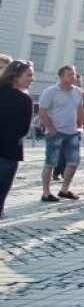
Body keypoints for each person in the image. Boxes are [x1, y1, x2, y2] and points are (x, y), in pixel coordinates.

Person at [38, 65, 84, 202]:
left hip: (72, 132)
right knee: (50, 163)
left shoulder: (77, 92)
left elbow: (79, 108)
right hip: (56, 132)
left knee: (73, 162)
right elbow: (42, 111)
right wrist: (51, 129)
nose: (73, 77)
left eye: (74, 74)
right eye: (70, 74)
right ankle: (46, 192)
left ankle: (65, 189)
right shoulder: (51, 91)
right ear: (61, 76)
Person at [0, 60, 35, 219]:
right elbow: (24, 130)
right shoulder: (25, 99)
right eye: (28, 75)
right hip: (9, 152)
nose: (31, 79)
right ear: (15, 75)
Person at [54, 72, 84, 181]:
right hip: (63, 126)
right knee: (62, 151)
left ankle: (63, 171)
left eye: (80, 83)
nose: (78, 85)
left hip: (77, 128)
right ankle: (58, 171)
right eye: (76, 82)